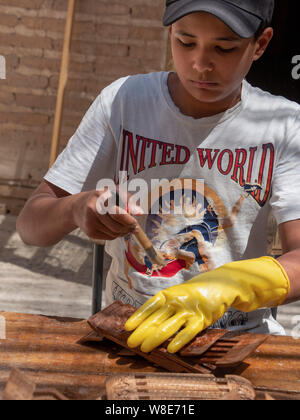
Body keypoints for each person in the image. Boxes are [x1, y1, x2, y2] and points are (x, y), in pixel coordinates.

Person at [17, 0, 300, 354]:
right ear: (169, 33)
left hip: (233, 341)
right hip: (130, 331)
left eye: (224, 48)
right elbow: (30, 225)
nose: (201, 64)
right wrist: (76, 209)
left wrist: (238, 283)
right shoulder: (124, 102)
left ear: (260, 44)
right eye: (185, 42)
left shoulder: (284, 125)